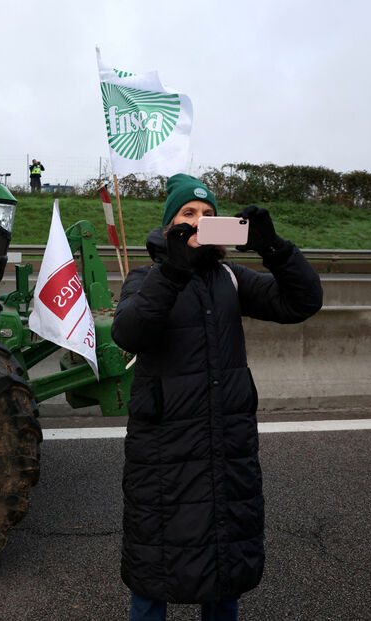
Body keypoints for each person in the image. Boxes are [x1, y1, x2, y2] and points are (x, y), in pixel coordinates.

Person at [111, 173, 323, 621]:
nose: (199, 222)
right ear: (170, 225)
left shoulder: (230, 276)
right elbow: (130, 332)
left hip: (228, 445)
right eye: (188, 214)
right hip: (164, 454)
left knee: (225, 570)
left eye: (208, 215)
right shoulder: (146, 277)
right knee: (155, 573)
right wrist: (171, 272)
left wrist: (274, 247)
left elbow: (301, 303)